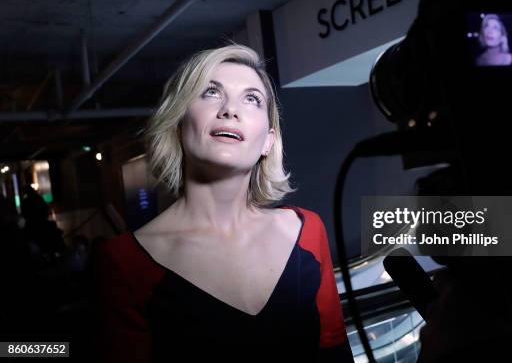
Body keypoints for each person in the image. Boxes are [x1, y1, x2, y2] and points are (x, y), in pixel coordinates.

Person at [94, 44, 353, 362]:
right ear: (179, 123)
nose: (231, 110)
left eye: (252, 99)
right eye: (210, 93)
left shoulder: (307, 230)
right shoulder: (124, 262)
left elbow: (335, 351)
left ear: (268, 141)